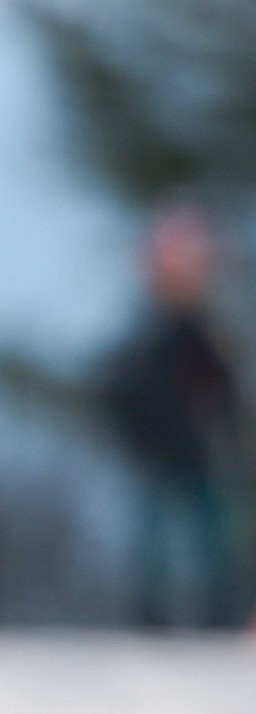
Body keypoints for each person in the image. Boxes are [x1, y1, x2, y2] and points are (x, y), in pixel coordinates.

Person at [102, 203, 246, 628]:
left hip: (200, 452)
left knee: (212, 539)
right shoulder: (147, 334)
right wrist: (136, 436)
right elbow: (122, 391)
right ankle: (153, 617)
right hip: (158, 452)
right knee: (156, 542)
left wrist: (229, 436)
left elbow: (225, 393)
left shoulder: (206, 333)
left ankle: (218, 615)